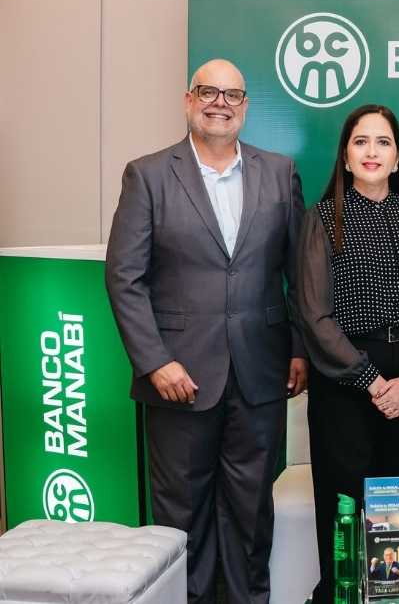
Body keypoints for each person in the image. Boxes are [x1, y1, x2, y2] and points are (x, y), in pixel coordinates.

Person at [105, 58, 307, 603]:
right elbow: (124, 277)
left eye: (233, 95)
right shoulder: (147, 174)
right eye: (208, 92)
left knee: (250, 516)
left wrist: (297, 349)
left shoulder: (279, 171)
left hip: (260, 376)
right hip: (178, 377)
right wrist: (154, 360)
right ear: (188, 100)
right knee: (180, 520)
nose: (221, 102)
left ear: (245, 106)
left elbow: (297, 274)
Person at [296, 104, 399, 603]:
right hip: (346, 383)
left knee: (398, 507)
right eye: (361, 142)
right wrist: (373, 382)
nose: (371, 151)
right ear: (346, 155)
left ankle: (395, 598)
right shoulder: (322, 220)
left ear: (398, 158)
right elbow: (315, 316)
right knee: (345, 507)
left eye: (382, 142)